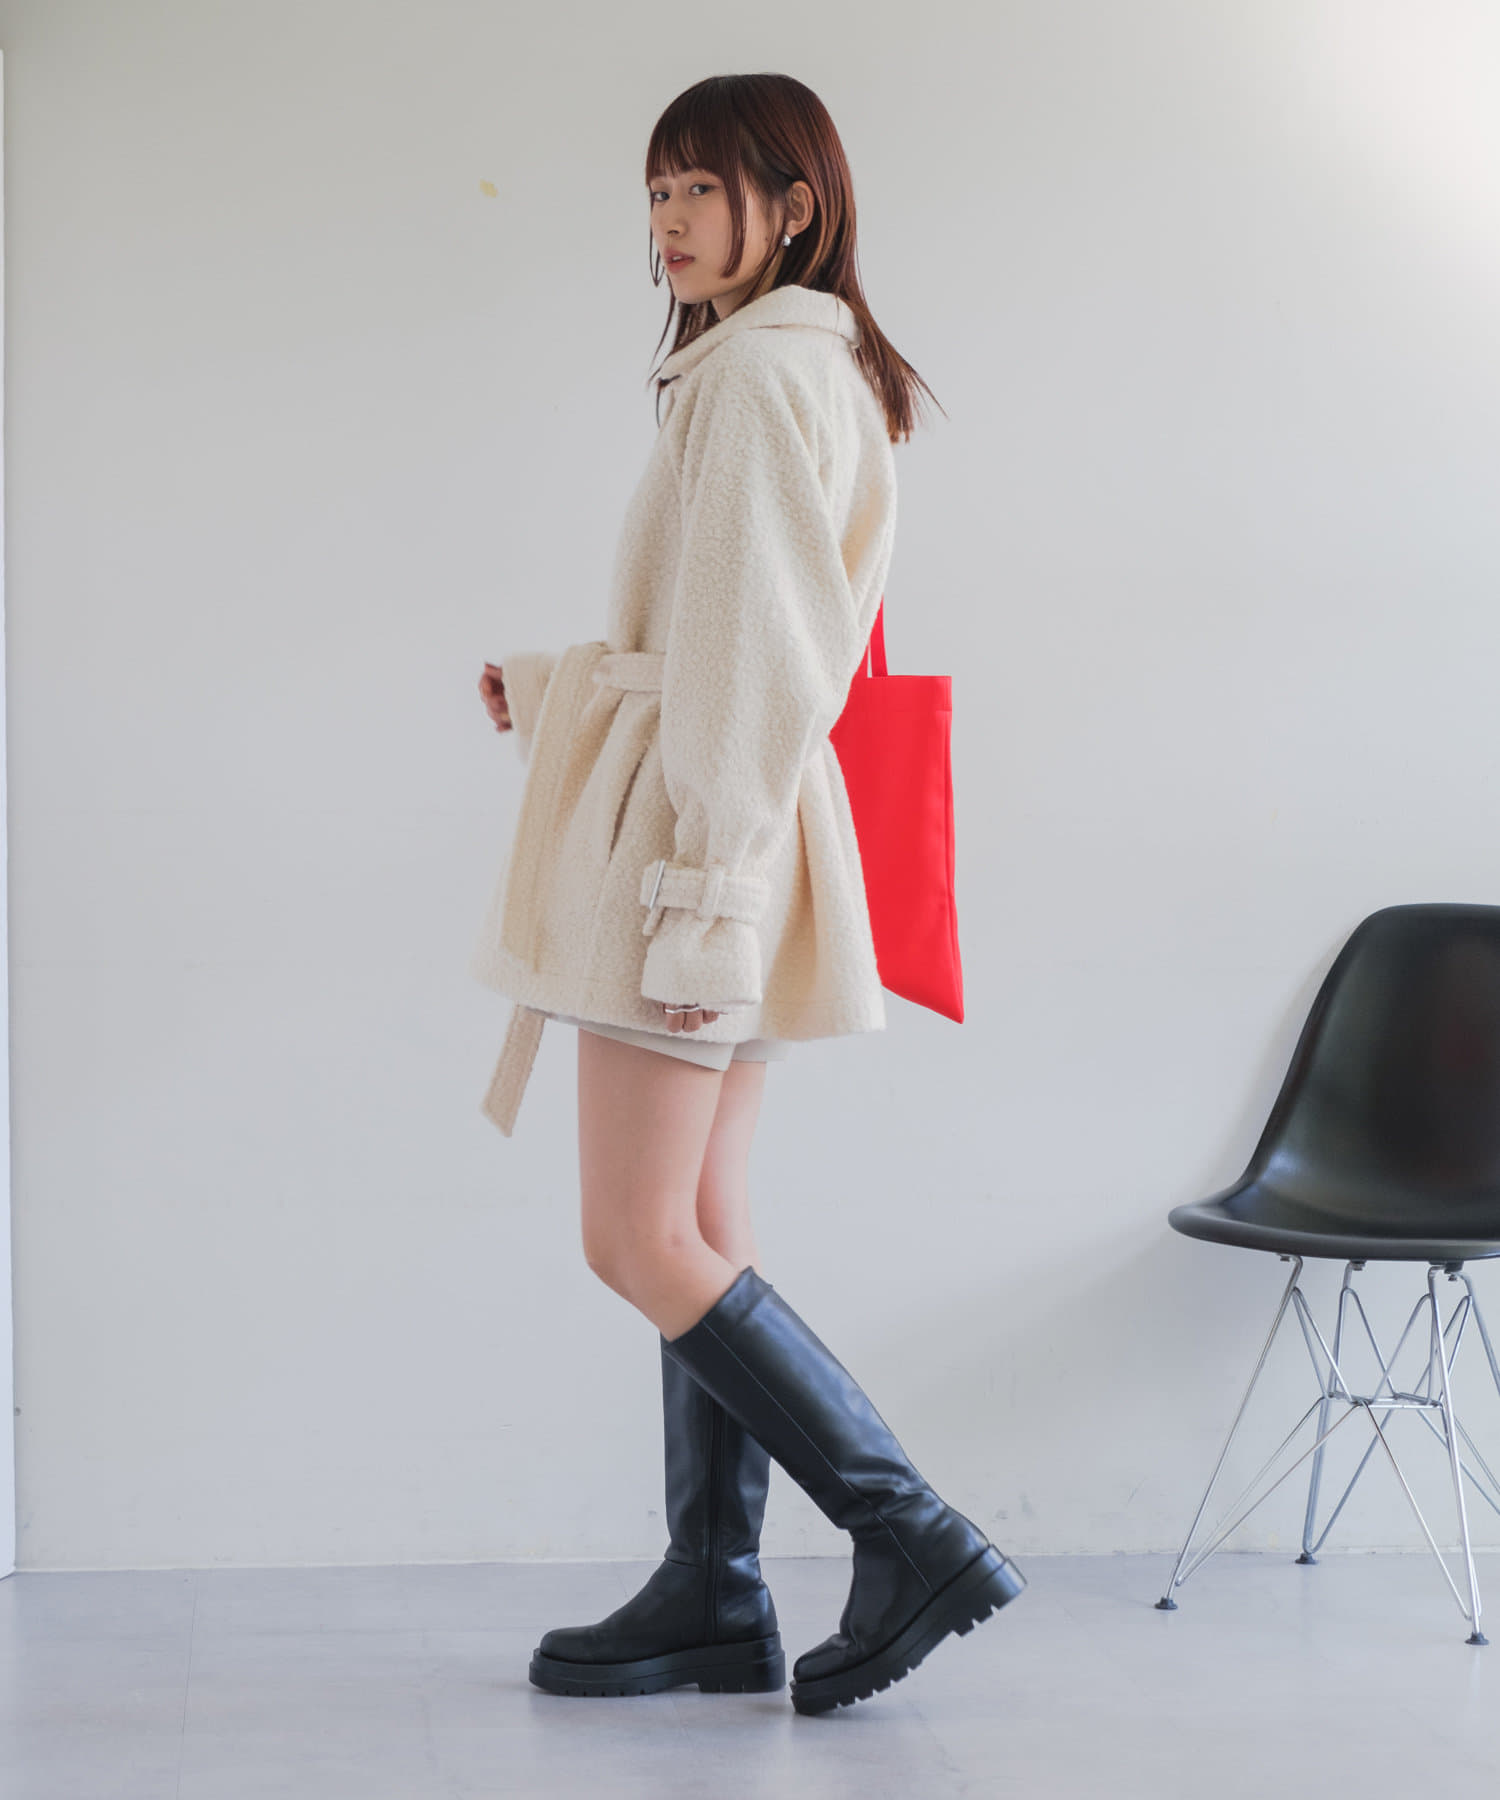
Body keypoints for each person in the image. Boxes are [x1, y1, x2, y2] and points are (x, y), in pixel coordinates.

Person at [471, 72, 1025, 1715]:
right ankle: (715, 1590)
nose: (669, 223)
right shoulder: (782, 368)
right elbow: (736, 645)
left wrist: (702, 893)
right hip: (741, 834)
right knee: (701, 1227)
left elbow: (755, 662)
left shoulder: (760, 381)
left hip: (699, 853)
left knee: (635, 1236)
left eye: (700, 191)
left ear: (795, 205)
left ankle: (907, 1529)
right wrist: (556, 686)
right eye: (657, 193)